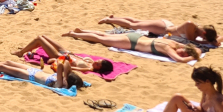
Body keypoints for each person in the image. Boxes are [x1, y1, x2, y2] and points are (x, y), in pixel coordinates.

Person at [64, 29, 201, 63]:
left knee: (105, 36)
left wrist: (195, 54)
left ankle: (81, 31)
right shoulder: (169, 48)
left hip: (136, 36)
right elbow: (180, 59)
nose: (182, 54)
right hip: (132, 43)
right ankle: (75, 34)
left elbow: (198, 50)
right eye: (184, 53)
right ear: (184, 49)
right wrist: (193, 58)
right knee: (101, 39)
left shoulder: (174, 43)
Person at [11, 35, 114, 75]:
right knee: (44, 36)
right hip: (66, 52)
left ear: (100, 67)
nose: (96, 61)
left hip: (58, 56)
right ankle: (27, 47)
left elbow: (73, 68)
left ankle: (20, 53)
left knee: (39, 39)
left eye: (98, 63)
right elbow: (82, 58)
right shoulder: (91, 63)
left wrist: (59, 61)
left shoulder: (89, 68)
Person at [156, 66, 223, 112]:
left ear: (207, 82)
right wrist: (194, 108)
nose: (196, 85)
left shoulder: (219, 102)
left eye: (198, 83)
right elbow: (202, 111)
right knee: (177, 97)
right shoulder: (205, 93)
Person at [0, 58, 82, 90]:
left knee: (3, 68)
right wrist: (67, 73)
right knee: (8, 62)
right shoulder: (62, 79)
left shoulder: (61, 84)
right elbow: (65, 63)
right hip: (35, 71)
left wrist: (66, 76)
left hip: (29, 76)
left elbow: (62, 65)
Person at [97, 16, 223, 45]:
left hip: (164, 30)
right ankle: (109, 19)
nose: (202, 39)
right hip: (162, 28)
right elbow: (191, 40)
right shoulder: (191, 25)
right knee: (134, 25)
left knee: (137, 22)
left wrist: (213, 41)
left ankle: (113, 18)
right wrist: (206, 43)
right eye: (204, 37)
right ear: (204, 33)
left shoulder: (199, 30)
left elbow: (220, 37)